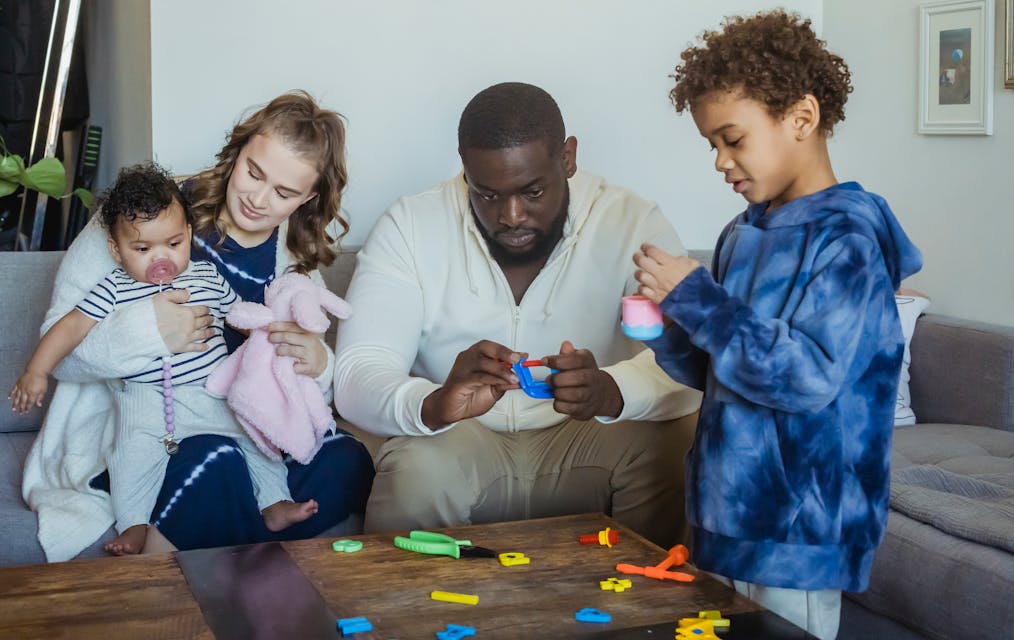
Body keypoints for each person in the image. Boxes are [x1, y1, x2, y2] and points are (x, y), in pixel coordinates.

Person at [631, 11, 922, 639]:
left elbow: (807, 378)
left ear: (801, 118)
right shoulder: (742, 232)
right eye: (711, 144)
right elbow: (722, 373)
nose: (719, 161)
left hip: (801, 528)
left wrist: (700, 301)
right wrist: (668, 324)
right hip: (727, 512)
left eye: (732, 139)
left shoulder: (846, 239)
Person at [334, 82, 702, 547]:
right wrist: (435, 403)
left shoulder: (631, 225)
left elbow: (690, 361)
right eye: (486, 194)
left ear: (567, 158)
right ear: (464, 167)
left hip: (590, 441)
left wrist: (612, 391)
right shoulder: (410, 226)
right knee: (417, 467)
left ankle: (652, 612)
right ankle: (404, 618)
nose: (510, 215)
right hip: (460, 442)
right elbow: (356, 373)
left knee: (676, 443)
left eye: (532, 191)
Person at [22, 91, 374, 561]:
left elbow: (307, 395)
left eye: (284, 193)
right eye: (254, 171)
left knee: (349, 462)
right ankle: (220, 553)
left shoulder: (296, 262)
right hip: (146, 430)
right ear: (238, 150)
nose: (258, 197)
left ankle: (226, 536)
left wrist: (317, 362)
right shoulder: (145, 214)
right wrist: (150, 330)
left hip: (241, 425)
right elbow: (60, 351)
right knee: (217, 461)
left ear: (308, 197)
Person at [11, 164, 319, 554]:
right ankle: (135, 524)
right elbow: (71, 327)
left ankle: (273, 502)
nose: (161, 258)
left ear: (188, 233)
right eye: (142, 249)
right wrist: (35, 371)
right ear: (116, 250)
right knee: (130, 458)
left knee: (257, 437)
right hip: (144, 399)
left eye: (173, 244)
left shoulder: (206, 275)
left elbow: (239, 314)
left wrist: (272, 335)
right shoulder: (114, 287)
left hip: (212, 393)